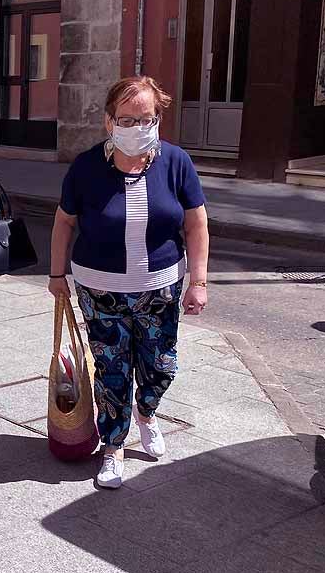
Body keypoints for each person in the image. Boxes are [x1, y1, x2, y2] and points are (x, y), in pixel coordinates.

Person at [48, 76, 210, 489]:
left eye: (147, 118)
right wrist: (56, 275)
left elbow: (196, 223)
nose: (137, 127)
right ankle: (114, 445)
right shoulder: (86, 167)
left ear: (158, 119)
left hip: (160, 286)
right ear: (108, 122)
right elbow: (65, 222)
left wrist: (199, 281)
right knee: (112, 367)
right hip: (99, 289)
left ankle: (147, 412)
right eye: (127, 119)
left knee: (160, 365)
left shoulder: (176, 163)